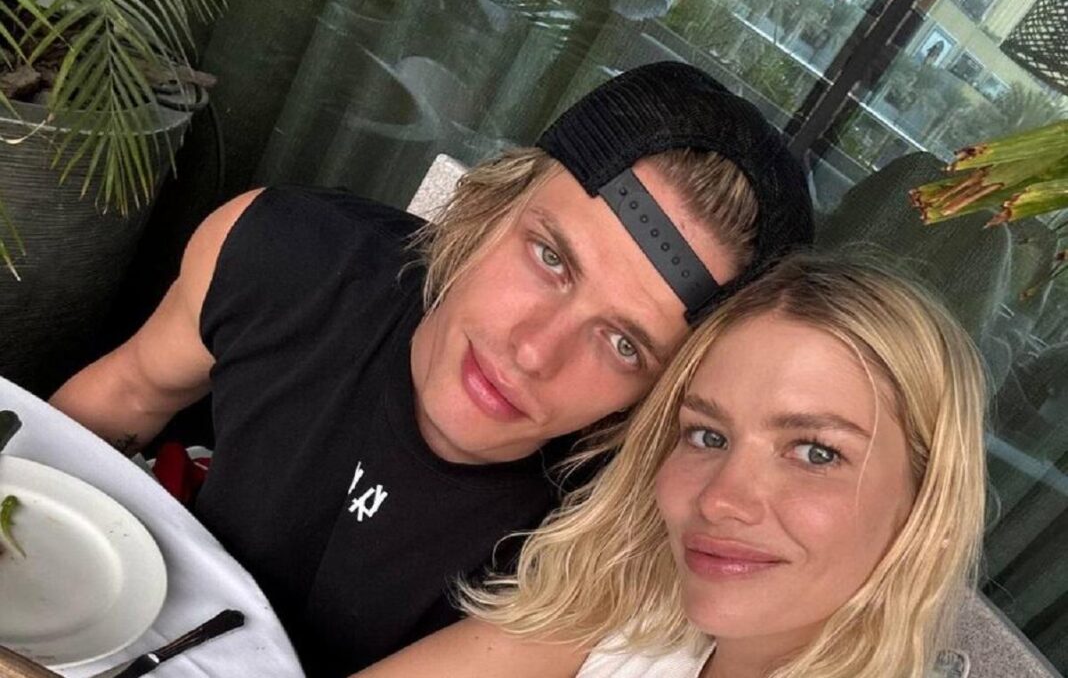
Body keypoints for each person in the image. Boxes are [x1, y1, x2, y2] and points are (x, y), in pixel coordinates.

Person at [49, 61, 814, 675]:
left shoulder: (606, 538)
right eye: (550, 258)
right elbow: (125, 394)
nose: (533, 350)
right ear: (486, 205)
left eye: (623, 344)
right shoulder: (287, 253)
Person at [356, 254, 987, 678]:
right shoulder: (631, 619)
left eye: (815, 452)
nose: (720, 499)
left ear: (926, 505)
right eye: (708, 436)